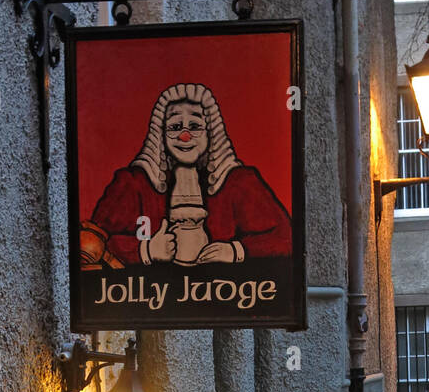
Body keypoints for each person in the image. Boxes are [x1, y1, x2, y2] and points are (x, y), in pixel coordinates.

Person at [81, 83, 292, 269]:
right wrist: (146, 250)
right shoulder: (133, 182)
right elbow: (92, 243)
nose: (185, 136)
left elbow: (287, 238)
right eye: (174, 127)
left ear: (211, 132)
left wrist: (236, 251)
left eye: (194, 126)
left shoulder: (240, 182)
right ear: (160, 134)